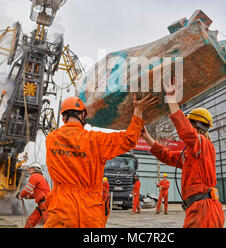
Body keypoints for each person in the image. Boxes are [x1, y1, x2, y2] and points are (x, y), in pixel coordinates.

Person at [44, 94, 158, 228]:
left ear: (63, 118)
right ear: (82, 116)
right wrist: (138, 110)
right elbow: (129, 139)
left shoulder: (51, 139)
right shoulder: (96, 140)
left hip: (60, 210)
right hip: (89, 210)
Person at [141, 78, 225, 228]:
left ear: (197, 125)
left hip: (204, 210)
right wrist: (146, 136)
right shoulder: (191, 154)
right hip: (199, 208)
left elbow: (187, 133)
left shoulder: (203, 144)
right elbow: (166, 155)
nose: (188, 126)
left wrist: (171, 99)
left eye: (190, 123)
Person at [17, 162, 51, 228]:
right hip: (44, 204)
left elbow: (28, 189)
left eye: (30, 169)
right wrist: (28, 196)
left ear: (33, 169)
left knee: (49, 224)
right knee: (31, 221)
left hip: (44, 204)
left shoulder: (34, 176)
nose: (29, 171)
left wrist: (20, 196)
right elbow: (38, 193)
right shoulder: (42, 178)